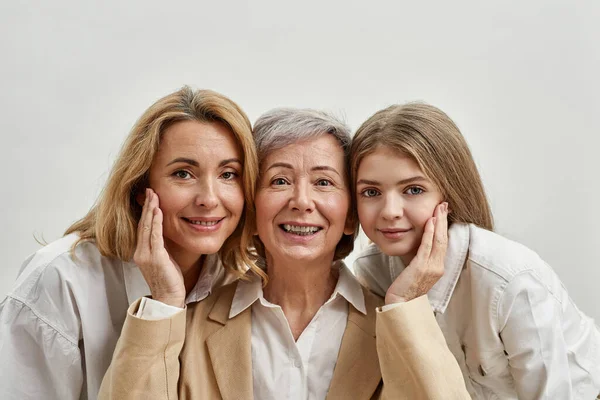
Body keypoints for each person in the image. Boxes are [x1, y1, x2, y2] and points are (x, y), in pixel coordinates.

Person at [98, 108, 470, 399]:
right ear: (251, 209)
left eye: (323, 182)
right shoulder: (188, 324)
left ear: (350, 215)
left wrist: (405, 302)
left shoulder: (396, 327)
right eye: (279, 181)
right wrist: (164, 301)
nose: (302, 202)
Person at [0, 86, 262, 400]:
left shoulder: (239, 279)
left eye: (229, 174)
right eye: (183, 174)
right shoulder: (60, 280)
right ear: (140, 186)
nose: (209, 198)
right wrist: (164, 303)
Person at [351, 102, 600, 399]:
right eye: (371, 192)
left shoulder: (509, 279)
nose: (390, 211)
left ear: (449, 193)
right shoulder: (371, 271)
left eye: (413, 190)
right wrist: (401, 303)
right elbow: (402, 389)